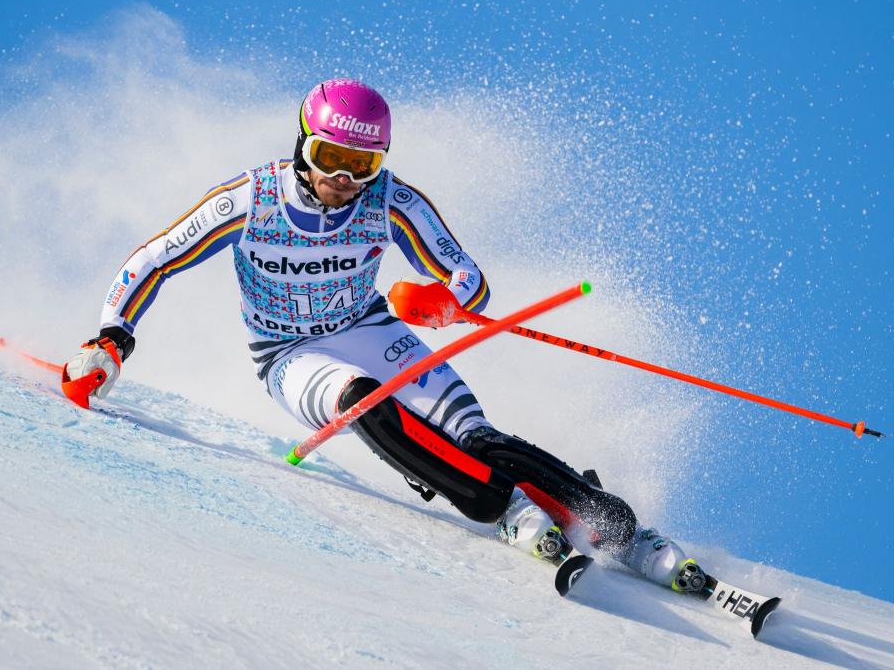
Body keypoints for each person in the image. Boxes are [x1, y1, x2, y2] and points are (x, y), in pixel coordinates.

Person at [64, 78, 705, 595]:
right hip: (289, 354)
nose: (345, 180)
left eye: (362, 164)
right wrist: (111, 340)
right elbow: (155, 260)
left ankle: (621, 529)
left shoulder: (390, 201)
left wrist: (444, 302)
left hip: (370, 328)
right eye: (331, 159)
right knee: (364, 399)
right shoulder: (251, 200)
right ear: (302, 145)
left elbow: (469, 279)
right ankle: (503, 509)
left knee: (476, 436)